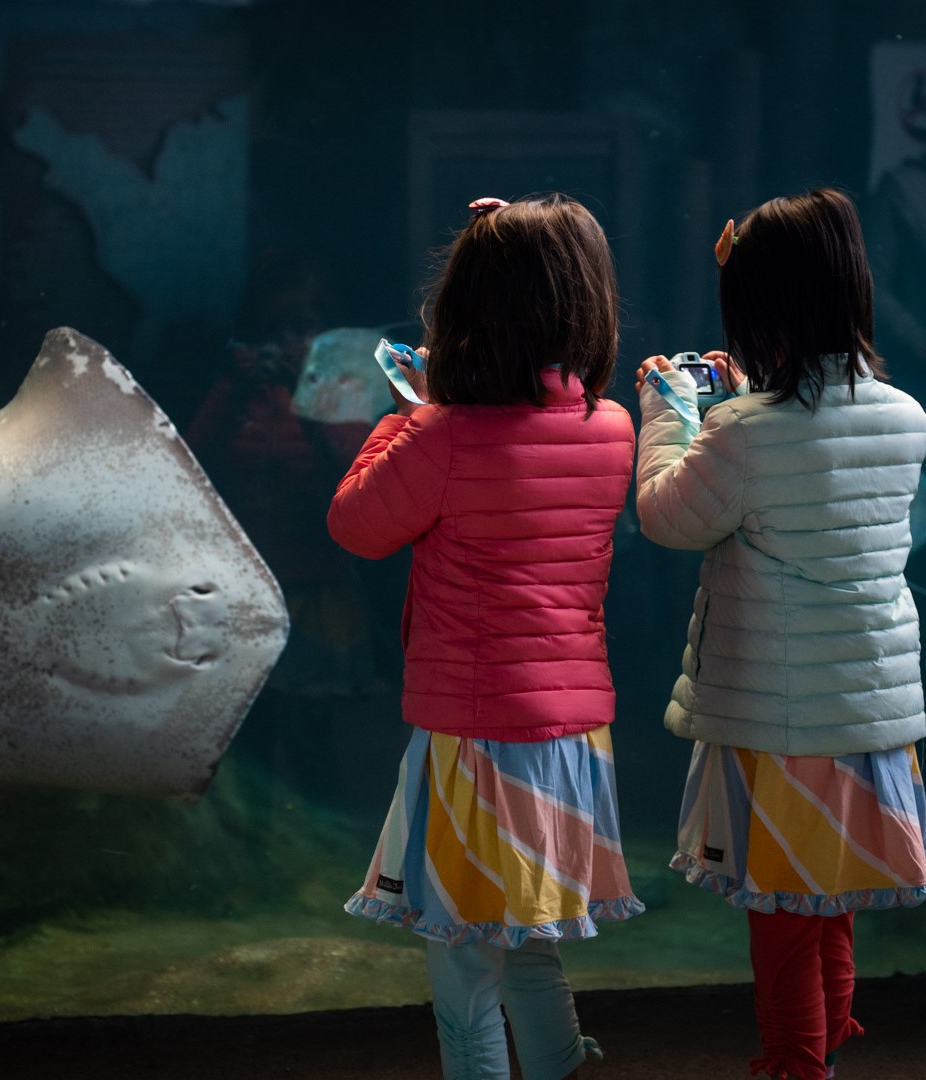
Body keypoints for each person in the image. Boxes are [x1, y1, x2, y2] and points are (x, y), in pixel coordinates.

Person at [327, 194, 643, 1080]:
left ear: (466, 311)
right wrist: (526, 247)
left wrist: (407, 412)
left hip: (473, 736)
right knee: (531, 941)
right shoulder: (611, 430)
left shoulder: (441, 435)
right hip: (574, 735)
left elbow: (355, 524)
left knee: (465, 961)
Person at [634, 188, 926, 1080]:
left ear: (759, 307)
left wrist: (668, 413)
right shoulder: (904, 415)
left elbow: (668, 515)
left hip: (781, 722)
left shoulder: (741, 431)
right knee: (825, 898)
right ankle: (833, 1033)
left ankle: (799, 1065)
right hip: (870, 710)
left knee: (785, 917)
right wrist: (735, 406)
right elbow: (810, 466)